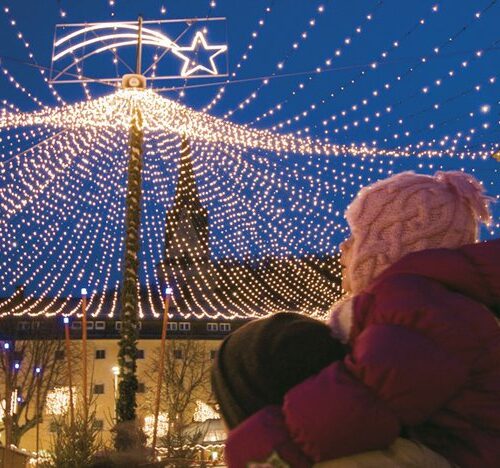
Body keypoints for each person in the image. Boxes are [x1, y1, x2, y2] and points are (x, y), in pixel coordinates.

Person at [213, 170, 500, 467]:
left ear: (387, 246)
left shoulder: (418, 306)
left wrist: (270, 452)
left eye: (354, 236)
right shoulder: (425, 301)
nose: (342, 248)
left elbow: (363, 401)